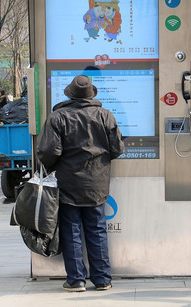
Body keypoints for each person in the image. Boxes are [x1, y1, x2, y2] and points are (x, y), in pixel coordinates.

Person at [37, 75, 124, 292]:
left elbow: (49, 151)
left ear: (69, 94)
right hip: (97, 183)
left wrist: (52, 166)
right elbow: (118, 149)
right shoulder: (106, 116)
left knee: (71, 229)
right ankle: (103, 279)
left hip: (68, 183)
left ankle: (76, 280)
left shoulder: (57, 117)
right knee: (97, 230)